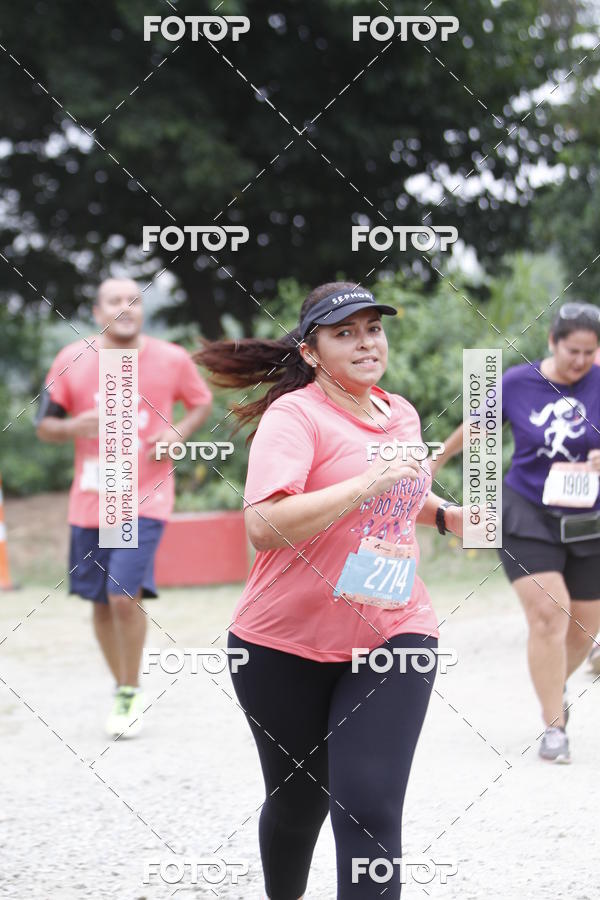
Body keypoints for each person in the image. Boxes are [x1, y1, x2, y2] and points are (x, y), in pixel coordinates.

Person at [196, 282, 464, 900]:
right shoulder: (296, 417)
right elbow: (264, 526)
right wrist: (367, 482)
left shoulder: (399, 413)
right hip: (281, 643)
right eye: (345, 333)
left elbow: (399, 494)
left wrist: (447, 515)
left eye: (373, 329)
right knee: (298, 801)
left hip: (394, 629)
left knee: (369, 807)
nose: (366, 343)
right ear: (313, 352)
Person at [36, 278, 213, 737]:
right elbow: (44, 427)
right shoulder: (72, 359)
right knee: (99, 603)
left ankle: (129, 690)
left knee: (121, 595)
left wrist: (178, 433)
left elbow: (200, 402)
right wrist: (76, 424)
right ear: (97, 312)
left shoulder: (170, 358)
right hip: (91, 500)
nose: (125, 307)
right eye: (114, 300)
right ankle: (122, 686)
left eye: (133, 299)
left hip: (142, 495)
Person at [435, 302, 600, 762]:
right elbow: (478, 427)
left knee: (584, 630)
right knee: (550, 614)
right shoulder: (517, 381)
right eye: (573, 351)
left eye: (590, 352)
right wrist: (438, 457)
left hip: (590, 517)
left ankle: (555, 684)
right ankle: (554, 727)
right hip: (525, 509)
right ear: (552, 341)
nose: (581, 361)